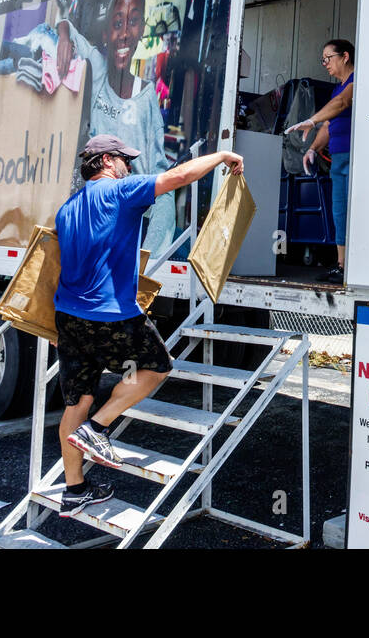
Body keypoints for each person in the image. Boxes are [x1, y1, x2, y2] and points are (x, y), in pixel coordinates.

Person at [53, 133, 244, 516]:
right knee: (158, 367)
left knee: (78, 399)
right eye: (125, 159)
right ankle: (100, 428)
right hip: (109, 314)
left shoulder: (67, 207)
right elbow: (178, 177)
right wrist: (221, 154)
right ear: (107, 161)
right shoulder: (120, 192)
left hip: (68, 316)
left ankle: (74, 490)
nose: (130, 165)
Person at [55, 0, 175, 257]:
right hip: (99, 213)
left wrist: (150, 254)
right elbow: (68, 29)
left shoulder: (147, 99)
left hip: (132, 221)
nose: (124, 33)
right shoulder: (97, 70)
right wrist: (63, 34)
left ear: (142, 30)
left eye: (133, 22)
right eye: (117, 22)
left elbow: (161, 181)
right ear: (107, 31)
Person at [287, 39, 354, 284]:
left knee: (351, 212)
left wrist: (311, 121)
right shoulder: (337, 88)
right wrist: (313, 148)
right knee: (339, 211)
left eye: (328, 58)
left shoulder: (355, 81)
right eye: (322, 59)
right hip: (338, 158)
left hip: (353, 158)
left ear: (344, 56)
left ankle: (354, 266)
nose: (324, 63)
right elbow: (329, 124)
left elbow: (341, 104)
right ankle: (342, 265)